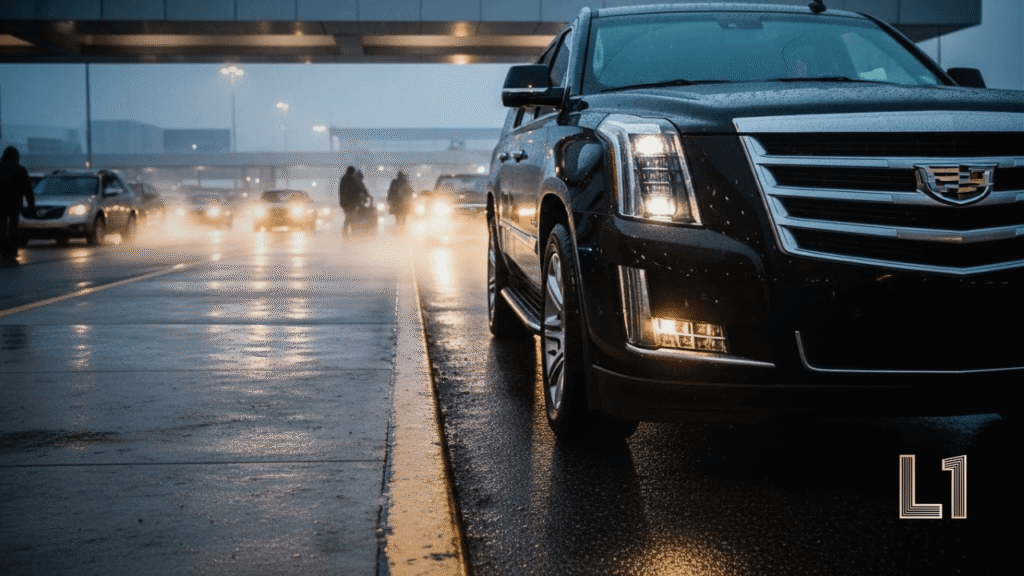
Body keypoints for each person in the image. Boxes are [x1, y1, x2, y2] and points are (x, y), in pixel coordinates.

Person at [0, 146, 34, 259]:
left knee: (2, 227)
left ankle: (3, 249)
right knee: (13, 228)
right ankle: (12, 249)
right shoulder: (20, 170)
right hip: (15, 205)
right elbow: (28, 190)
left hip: (2, 205)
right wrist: (30, 205)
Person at [338, 165, 367, 237]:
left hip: (347, 202)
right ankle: (352, 232)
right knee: (350, 217)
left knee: (349, 217)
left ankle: (347, 232)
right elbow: (355, 190)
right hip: (349, 202)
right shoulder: (350, 179)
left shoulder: (345, 179)